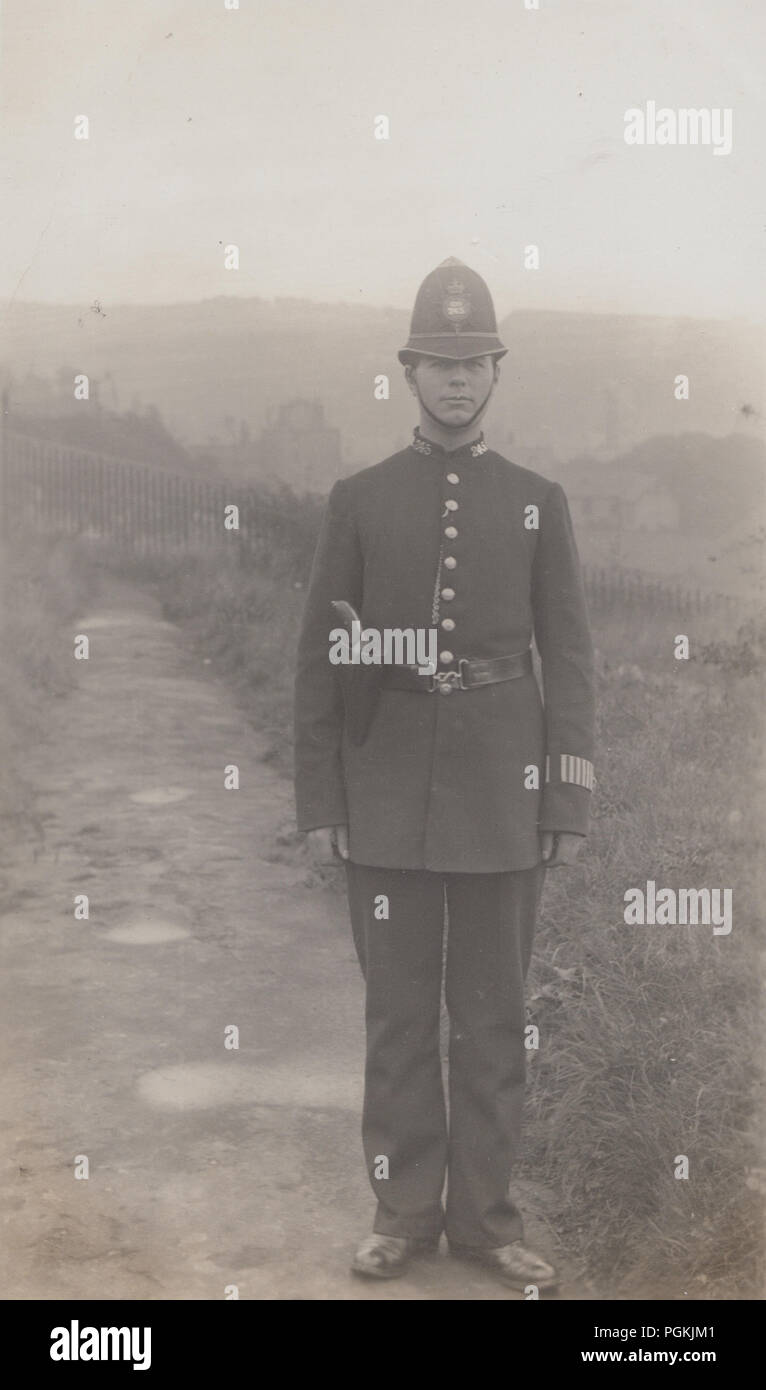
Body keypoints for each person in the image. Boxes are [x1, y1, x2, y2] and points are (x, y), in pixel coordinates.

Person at [293, 257, 595, 1291]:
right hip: (383, 796)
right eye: (439, 362)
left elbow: (572, 654)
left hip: (505, 798)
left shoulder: (536, 502)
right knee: (397, 1015)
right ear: (409, 371)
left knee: (494, 1016)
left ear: (496, 373)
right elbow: (320, 661)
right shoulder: (359, 500)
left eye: (475, 364)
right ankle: (399, 1213)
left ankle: (488, 1222)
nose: (457, 381)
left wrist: (564, 794)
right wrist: (323, 799)